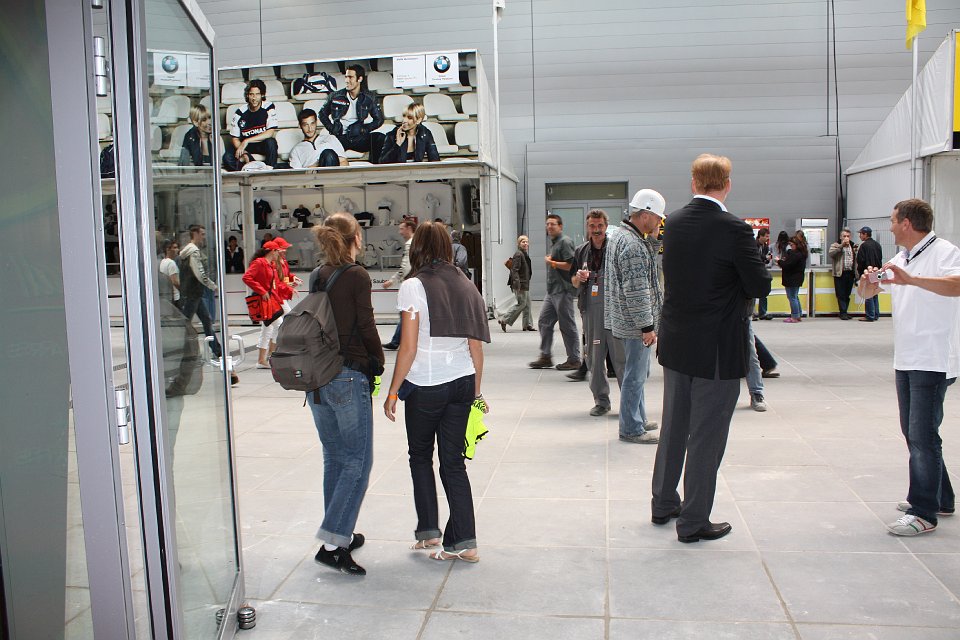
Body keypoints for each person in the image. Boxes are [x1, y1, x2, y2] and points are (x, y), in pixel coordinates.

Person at [652, 154, 771, 543]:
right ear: (727, 184)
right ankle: (693, 521)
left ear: (693, 183)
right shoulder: (735, 229)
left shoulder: (675, 223)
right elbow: (759, 285)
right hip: (716, 348)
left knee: (674, 427)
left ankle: (663, 502)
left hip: (678, 341)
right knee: (706, 435)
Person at [382, 221, 490, 562]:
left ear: (417, 248)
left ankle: (429, 532)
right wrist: (475, 392)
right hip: (461, 382)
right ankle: (465, 542)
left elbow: (408, 347)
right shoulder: (466, 283)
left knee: (420, 457)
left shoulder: (414, 286)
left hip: (427, 385)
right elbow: (476, 347)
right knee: (453, 464)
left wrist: (392, 391)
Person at [857, 199, 960, 536]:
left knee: (922, 435)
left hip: (934, 358)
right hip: (907, 357)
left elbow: (956, 285)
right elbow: (864, 296)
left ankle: (923, 510)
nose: (888, 226)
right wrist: (869, 282)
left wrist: (911, 280)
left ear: (907, 223)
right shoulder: (902, 258)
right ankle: (941, 497)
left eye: (892, 220)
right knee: (916, 433)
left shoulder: (945, 252)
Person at [308, 213, 385, 575]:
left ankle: (338, 533)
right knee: (357, 461)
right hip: (348, 376)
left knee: (335, 458)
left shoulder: (318, 275)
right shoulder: (356, 275)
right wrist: (379, 359)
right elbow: (366, 324)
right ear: (356, 237)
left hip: (318, 377)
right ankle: (333, 542)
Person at [604, 191, 665, 442]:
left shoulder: (622, 236)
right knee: (635, 376)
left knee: (637, 373)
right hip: (635, 324)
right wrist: (647, 326)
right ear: (646, 215)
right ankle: (631, 428)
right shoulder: (631, 245)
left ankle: (636, 417)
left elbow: (643, 267)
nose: (659, 223)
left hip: (625, 320)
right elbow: (637, 290)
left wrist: (653, 240)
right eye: (658, 219)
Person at [571, 209, 622, 417]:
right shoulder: (581, 251)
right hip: (590, 309)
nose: (596, 230)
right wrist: (579, 278)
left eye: (600, 225)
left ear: (606, 226)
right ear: (588, 227)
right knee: (594, 356)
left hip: (615, 308)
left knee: (621, 358)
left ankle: (630, 402)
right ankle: (601, 401)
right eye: (592, 226)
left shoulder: (616, 249)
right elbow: (573, 281)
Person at [528, 214, 580, 371]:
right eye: (547, 224)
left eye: (553, 224)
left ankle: (574, 359)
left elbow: (571, 265)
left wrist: (553, 263)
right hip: (552, 291)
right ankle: (545, 356)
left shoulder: (565, 242)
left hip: (563, 291)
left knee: (567, 325)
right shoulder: (555, 243)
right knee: (544, 321)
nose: (549, 227)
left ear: (560, 226)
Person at [319, 64, 385, 157]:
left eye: (350, 77)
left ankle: (375, 168)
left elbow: (379, 119)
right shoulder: (336, 96)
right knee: (325, 149)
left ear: (360, 79)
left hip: (358, 136)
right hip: (340, 137)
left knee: (380, 138)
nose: (346, 80)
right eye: (346, 77)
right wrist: (331, 127)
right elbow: (322, 113)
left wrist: (364, 129)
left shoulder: (369, 97)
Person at [178, 225, 222, 361]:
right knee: (187, 323)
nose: (203, 237)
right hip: (193, 293)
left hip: (193, 293)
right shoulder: (193, 252)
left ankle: (217, 350)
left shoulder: (188, 251)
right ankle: (183, 350)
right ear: (195, 234)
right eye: (202, 234)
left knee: (205, 320)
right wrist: (212, 285)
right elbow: (199, 273)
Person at [223, 79, 279, 171]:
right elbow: (235, 138)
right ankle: (249, 170)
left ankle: (269, 170)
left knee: (271, 142)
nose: (254, 98)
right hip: (246, 146)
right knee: (227, 157)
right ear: (247, 95)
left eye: (257, 94)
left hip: (260, 143)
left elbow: (270, 133)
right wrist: (244, 152)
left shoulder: (268, 107)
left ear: (262, 95)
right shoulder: (240, 112)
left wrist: (247, 141)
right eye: (251, 94)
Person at [242, 241, 281, 369]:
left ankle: (265, 358)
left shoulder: (270, 264)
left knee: (269, 327)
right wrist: (262, 290)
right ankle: (269, 356)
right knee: (277, 325)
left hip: (269, 301)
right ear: (272, 251)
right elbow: (247, 277)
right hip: (264, 300)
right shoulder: (260, 263)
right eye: (278, 251)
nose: (279, 254)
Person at [382, 220, 417, 350]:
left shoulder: (410, 244)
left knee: (404, 312)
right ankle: (397, 341)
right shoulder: (417, 242)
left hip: (409, 282)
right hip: (415, 281)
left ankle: (396, 341)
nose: (400, 232)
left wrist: (393, 280)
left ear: (409, 228)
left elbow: (405, 266)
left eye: (402, 228)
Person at [498, 235, 534, 332]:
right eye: (523, 242)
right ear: (519, 244)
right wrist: (517, 284)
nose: (525, 243)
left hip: (525, 283)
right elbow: (514, 270)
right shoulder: (518, 254)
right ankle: (504, 319)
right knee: (521, 304)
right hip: (520, 284)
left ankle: (527, 325)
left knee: (527, 304)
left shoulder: (524, 254)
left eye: (526, 242)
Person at [777, 232, 808, 323]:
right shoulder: (801, 253)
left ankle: (794, 316)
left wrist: (779, 261)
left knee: (792, 297)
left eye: (791, 244)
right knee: (795, 296)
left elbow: (787, 265)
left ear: (796, 244)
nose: (790, 247)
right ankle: (798, 314)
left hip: (792, 278)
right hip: (797, 278)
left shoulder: (796, 254)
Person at [828, 228, 858, 320]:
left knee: (847, 294)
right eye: (844, 236)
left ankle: (845, 311)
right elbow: (831, 254)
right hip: (840, 273)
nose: (846, 238)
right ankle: (843, 312)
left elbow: (856, 260)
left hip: (850, 273)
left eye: (848, 236)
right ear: (841, 237)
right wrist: (841, 246)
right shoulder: (835, 245)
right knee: (840, 294)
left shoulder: (853, 246)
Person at [857, 225, 883, 322]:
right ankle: (876, 314)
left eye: (861, 234)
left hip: (868, 272)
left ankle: (870, 315)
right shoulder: (877, 244)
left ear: (865, 234)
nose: (860, 236)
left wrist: (860, 273)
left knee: (868, 294)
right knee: (874, 293)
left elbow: (861, 260)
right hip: (877, 271)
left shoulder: (864, 246)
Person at [755, 228, 773, 319]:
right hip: (753, 270)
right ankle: (753, 313)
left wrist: (767, 259)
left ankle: (763, 312)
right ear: (760, 236)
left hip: (762, 269)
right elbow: (755, 256)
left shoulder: (765, 246)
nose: (767, 238)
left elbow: (764, 259)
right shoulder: (754, 244)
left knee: (763, 292)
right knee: (752, 292)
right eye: (766, 236)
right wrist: (764, 257)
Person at [158, 240, 180, 306]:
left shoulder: (163, 262)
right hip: (174, 296)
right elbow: (175, 281)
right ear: (168, 249)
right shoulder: (171, 263)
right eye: (174, 248)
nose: (177, 250)